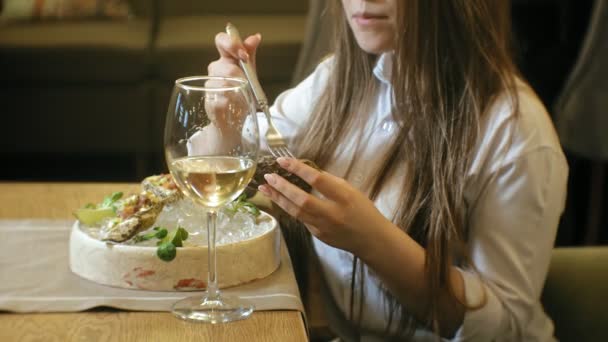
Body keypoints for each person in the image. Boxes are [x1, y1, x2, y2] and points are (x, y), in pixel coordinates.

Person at [207, 0, 568, 340]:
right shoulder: (339, 79)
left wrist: (373, 240)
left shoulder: (516, 131)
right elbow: (228, 163)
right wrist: (224, 116)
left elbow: (505, 330)